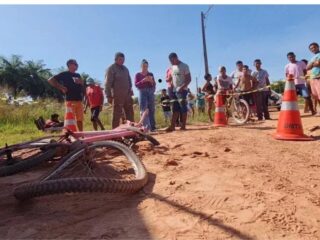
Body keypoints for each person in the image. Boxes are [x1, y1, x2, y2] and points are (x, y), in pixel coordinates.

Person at [48, 59, 84, 131]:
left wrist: (81, 82)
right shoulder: (64, 74)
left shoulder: (77, 75)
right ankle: (71, 135)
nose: (77, 66)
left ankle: (81, 134)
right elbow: (50, 80)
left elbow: (82, 86)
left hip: (79, 100)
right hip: (70, 101)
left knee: (80, 119)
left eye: (77, 64)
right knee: (71, 120)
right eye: (75, 64)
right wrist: (61, 87)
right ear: (70, 65)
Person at [105, 52, 134, 129]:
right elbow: (108, 83)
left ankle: (131, 132)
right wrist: (108, 96)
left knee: (130, 114)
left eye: (123, 59)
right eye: (120, 59)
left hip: (127, 95)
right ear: (115, 59)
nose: (122, 61)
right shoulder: (111, 68)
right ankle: (115, 134)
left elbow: (129, 80)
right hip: (117, 95)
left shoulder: (125, 69)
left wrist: (130, 89)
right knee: (116, 115)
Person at [165, 52, 191, 131]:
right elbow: (173, 78)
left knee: (183, 107)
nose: (171, 62)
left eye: (172, 60)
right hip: (174, 90)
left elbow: (189, 79)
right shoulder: (173, 67)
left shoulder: (184, 66)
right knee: (175, 108)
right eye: (170, 61)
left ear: (176, 58)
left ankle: (183, 126)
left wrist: (182, 87)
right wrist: (170, 81)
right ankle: (172, 126)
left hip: (182, 90)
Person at [134, 59, 156, 131]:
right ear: (141, 66)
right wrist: (143, 81)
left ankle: (153, 127)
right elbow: (136, 85)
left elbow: (154, 84)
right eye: (143, 66)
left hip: (150, 91)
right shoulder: (138, 74)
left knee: (151, 109)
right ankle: (146, 127)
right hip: (142, 91)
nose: (145, 67)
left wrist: (151, 81)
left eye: (146, 66)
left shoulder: (151, 74)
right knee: (144, 109)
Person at [307, 42, 320, 116]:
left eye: (314, 47)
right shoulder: (312, 58)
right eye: (311, 48)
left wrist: (312, 64)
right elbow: (307, 67)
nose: (313, 49)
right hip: (313, 77)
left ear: (318, 47)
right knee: (316, 96)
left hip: (319, 77)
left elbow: (318, 63)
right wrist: (313, 64)